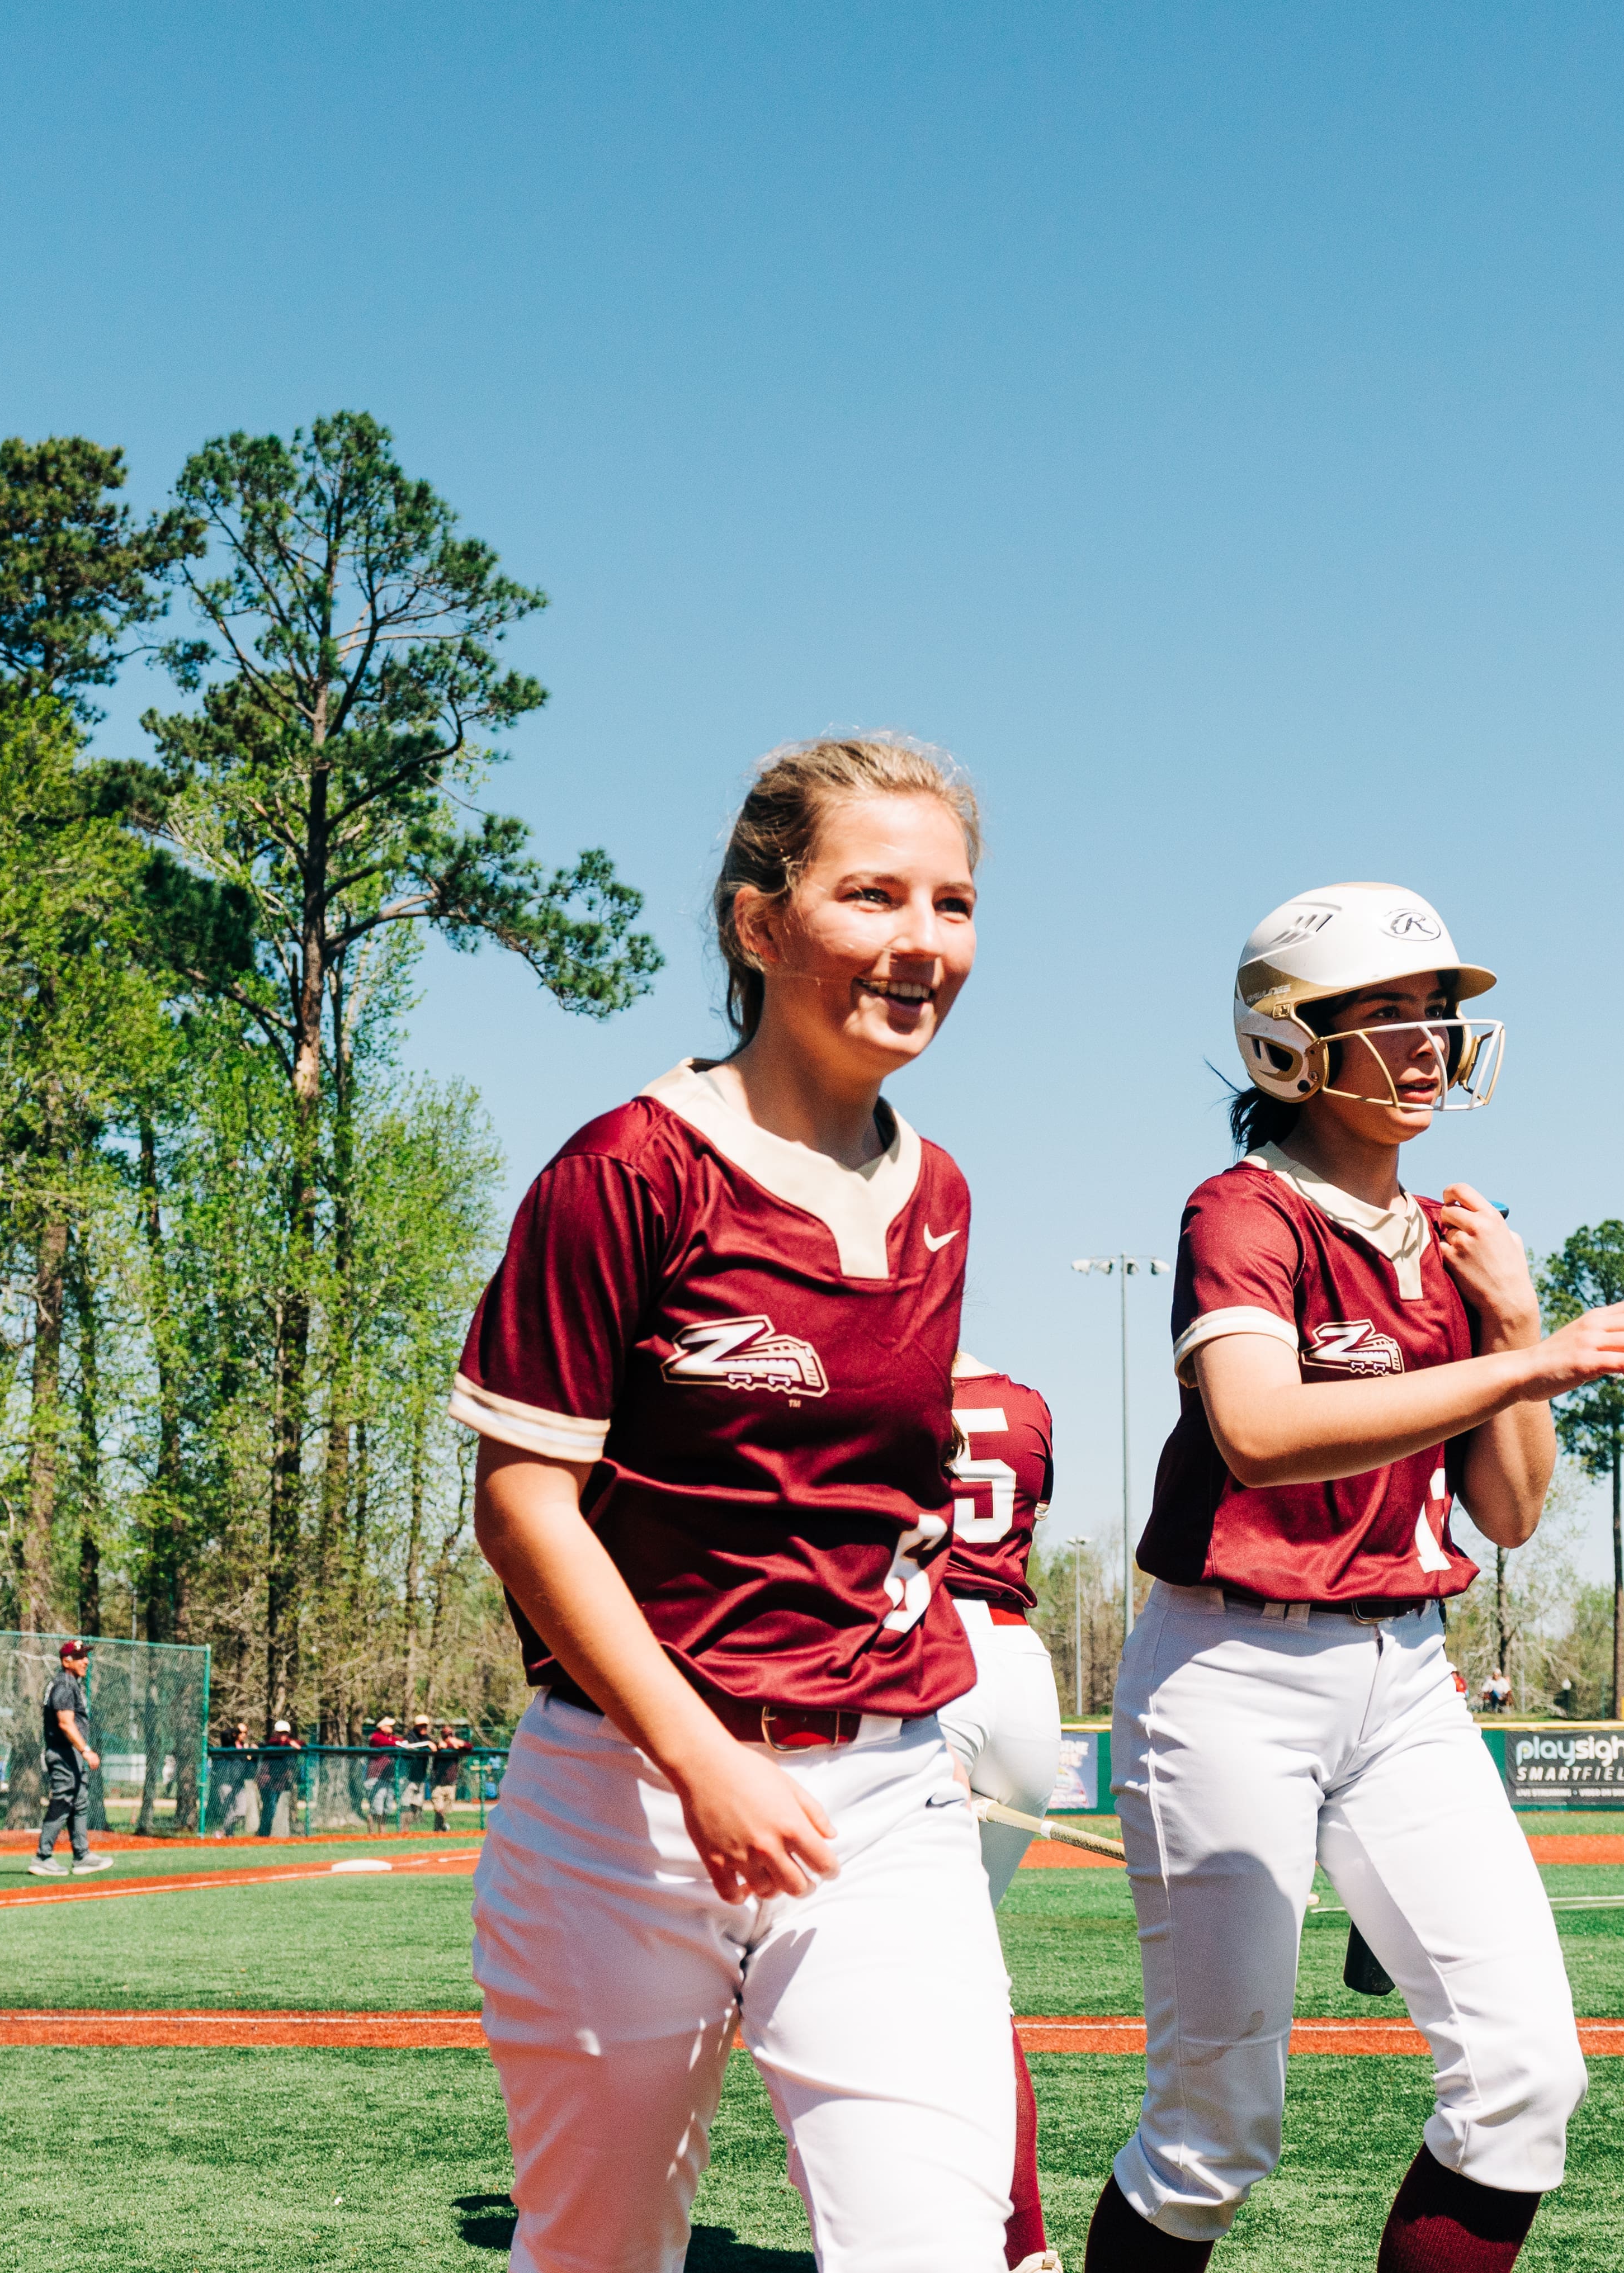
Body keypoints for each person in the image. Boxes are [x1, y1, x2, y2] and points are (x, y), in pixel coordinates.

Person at [455, 736, 1014, 2273]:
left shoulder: (945, 1193)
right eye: (872, 895)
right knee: (596, 2255)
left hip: (882, 1802)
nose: (922, 942)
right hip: (620, 1802)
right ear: (759, 927)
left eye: (952, 903)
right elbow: (522, 1507)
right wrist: (702, 1758)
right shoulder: (626, 1168)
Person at [1088, 884, 1624, 2273]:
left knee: (1525, 2077)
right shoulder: (1240, 1209)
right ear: (1287, 1039)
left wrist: (1516, 1312)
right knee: (1213, 2126)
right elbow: (1259, 1428)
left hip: (1406, 1673)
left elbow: (1509, 1508)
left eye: (1438, 1012)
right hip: (1228, 1672)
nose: (1426, 1041)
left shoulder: (1453, 1241)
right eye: (1386, 1014)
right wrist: (1533, 1358)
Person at [940, 1349, 1065, 2270]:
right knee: (958, 1974)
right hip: (1020, 1670)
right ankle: (1010, 2242)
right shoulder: (1024, 1404)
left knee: (906, 1988)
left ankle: (1015, 2243)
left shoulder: (872, 1371)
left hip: (921, 1655)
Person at [30, 1638, 113, 1878]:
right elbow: (65, 1723)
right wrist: (86, 1749)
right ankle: (43, 1857)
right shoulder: (65, 1685)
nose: (86, 1661)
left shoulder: (70, 1683)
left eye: (86, 1656)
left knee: (79, 1802)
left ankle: (82, 1855)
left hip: (70, 1755)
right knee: (64, 1801)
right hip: (65, 1754)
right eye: (80, 1657)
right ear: (67, 1661)